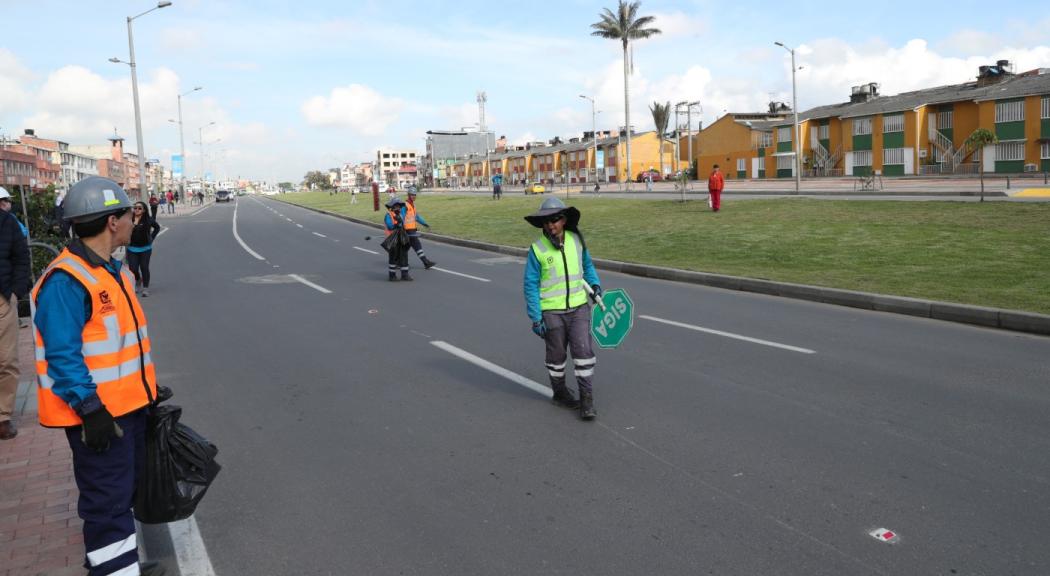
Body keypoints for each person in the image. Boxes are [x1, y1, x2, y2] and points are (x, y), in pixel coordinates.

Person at [32, 176, 165, 575]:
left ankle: (121, 566)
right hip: (101, 418)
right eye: (128, 213)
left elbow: (122, 346)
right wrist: (90, 409)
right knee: (107, 505)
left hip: (129, 409)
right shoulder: (67, 281)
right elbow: (62, 355)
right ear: (112, 222)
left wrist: (147, 390)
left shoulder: (112, 271)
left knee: (122, 496)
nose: (132, 219)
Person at [523, 197, 602, 421]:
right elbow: (530, 284)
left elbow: (587, 267)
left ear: (564, 220)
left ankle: (587, 399)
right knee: (556, 358)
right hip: (552, 312)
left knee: (583, 353)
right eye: (547, 221)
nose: (551, 225)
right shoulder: (537, 249)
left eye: (555, 220)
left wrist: (595, 285)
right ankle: (559, 393)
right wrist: (536, 318)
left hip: (578, 309)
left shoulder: (577, 240)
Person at [0, 187, 30, 440]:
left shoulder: (8, 223)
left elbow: (22, 258)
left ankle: (3, 416)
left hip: (2, 299)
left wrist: (15, 292)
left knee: (7, 360)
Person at [126, 202, 161, 298]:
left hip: (145, 248)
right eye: (135, 208)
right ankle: (138, 280)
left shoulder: (148, 220)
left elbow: (157, 228)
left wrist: (151, 238)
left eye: (139, 208)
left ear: (144, 210)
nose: (136, 209)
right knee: (133, 269)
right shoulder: (129, 219)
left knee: (144, 267)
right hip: (131, 248)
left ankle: (145, 288)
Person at [404, 187, 436, 270]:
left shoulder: (412, 205)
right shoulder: (405, 205)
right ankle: (425, 262)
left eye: (415, 195)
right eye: (412, 195)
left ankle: (401, 262)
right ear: (408, 195)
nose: (413, 196)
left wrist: (425, 224)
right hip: (407, 231)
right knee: (416, 246)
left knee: (409, 247)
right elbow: (401, 217)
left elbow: (416, 217)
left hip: (412, 230)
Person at [383, 196, 411, 281]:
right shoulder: (388, 215)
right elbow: (390, 226)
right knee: (393, 258)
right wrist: (396, 224)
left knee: (404, 256)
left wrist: (400, 221)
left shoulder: (401, 214)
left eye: (399, 206)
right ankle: (392, 275)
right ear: (392, 207)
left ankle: (405, 275)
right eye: (395, 206)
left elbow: (403, 224)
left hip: (401, 238)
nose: (397, 207)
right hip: (392, 239)